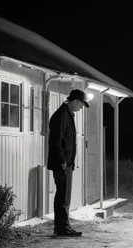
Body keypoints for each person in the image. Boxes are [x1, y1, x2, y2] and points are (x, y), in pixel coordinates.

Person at [47, 89, 89, 236]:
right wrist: (62, 161)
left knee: (65, 195)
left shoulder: (66, 114)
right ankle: (62, 228)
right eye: (82, 104)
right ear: (76, 100)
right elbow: (55, 142)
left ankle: (63, 226)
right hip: (62, 163)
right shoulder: (62, 115)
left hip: (66, 163)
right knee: (63, 196)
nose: (82, 107)